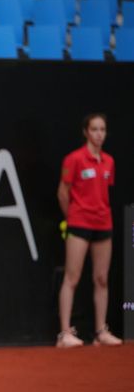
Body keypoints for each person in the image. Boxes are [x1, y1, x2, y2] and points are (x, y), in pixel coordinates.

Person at [56, 113, 122, 348]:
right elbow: (63, 193)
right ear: (85, 132)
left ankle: (100, 332)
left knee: (101, 278)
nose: (99, 134)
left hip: (103, 223)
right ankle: (65, 333)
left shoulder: (109, 162)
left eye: (102, 129)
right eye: (94, 129)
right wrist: (73, 218)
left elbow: (104, 191)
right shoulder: (73, 159)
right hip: (79, 224)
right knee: (72, 277)